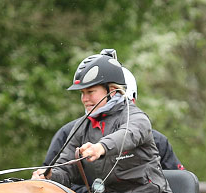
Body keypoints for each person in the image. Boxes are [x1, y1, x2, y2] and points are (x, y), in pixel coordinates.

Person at [33, 49, 186, 193]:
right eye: (82, 93)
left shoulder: (135, 117)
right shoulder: (81, 128)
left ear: (112, 91)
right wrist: (48, 175)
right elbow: (66, 167)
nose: (85, 98)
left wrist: (100, 148)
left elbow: (128, 135)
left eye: (90, 92)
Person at [43, 67, 184, 172]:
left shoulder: (155, 138)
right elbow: (56, 176)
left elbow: (176, 182)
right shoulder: (72, 132)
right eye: (84, 93)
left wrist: (101, 147)